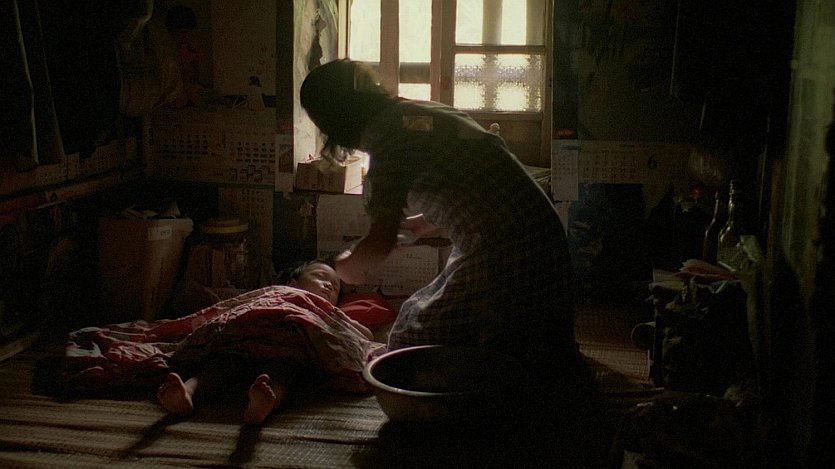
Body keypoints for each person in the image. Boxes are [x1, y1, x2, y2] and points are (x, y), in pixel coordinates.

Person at [300, 58, 585, 380]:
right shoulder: (417, 113)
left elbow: (378, 245)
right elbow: (471, 186)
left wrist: (344, 268)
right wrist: (423, 224)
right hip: (543, 241)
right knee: (415, 311)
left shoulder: (389, 142)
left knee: (409, 343)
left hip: (509, 252)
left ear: (336, 122)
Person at [156, 259, 355, 424]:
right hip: (242, 340)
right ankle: (187, 392)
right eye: (320, 276)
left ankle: (264, 403)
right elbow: (238, 305)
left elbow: (352, 332)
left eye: (335, 287)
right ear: (292, 284)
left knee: (282, 373)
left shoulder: (326, 311)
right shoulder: (277, 292)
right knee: (220, 366)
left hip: (287, 349)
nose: (329, 285)